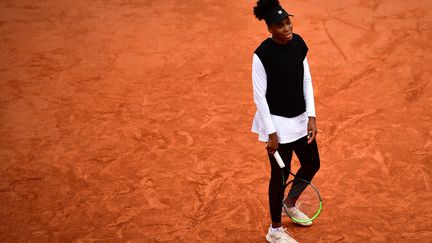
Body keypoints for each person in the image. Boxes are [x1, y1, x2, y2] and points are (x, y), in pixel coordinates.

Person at [251, 0, 321, 242]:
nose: (287, 28)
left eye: (288, 22)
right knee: (280, 175)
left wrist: (311, 115)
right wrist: (270, 133)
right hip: (278, 124)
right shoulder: (262, 55)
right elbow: (259, 97)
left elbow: (306, 80)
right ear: (270, 29)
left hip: (300, 119)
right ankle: (275, 230)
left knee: (312, 163)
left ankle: (289, 202)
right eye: (280, 26)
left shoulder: (298, 43)